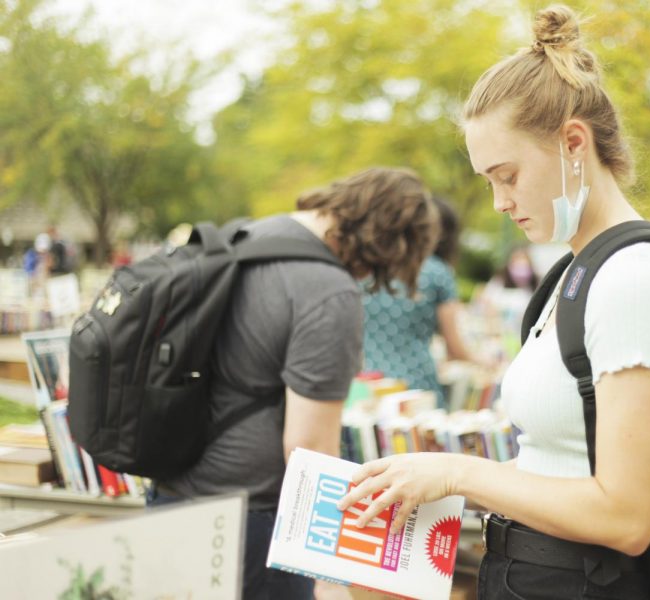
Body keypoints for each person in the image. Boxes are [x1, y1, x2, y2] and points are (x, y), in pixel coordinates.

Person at [338, 5, 650, 598]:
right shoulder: (579, 272)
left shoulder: (635, 279)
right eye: (488, 181)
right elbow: (558, 468)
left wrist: (459, 471)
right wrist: (426, 478)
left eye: (507, 175)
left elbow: (628, 516)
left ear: (574, 143)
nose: (498, 202)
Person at [149, 167, 439, 600]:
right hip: (251, 522)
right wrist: (340, 572)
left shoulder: (244, 237)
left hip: (170, 493)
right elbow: (309, 449)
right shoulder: (327, 291)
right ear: (388, 245)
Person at [361, 196, 473, 407]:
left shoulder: (368, 266)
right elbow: (455, 348)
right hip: (416, 383)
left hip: (368, 384)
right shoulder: (437, 272)